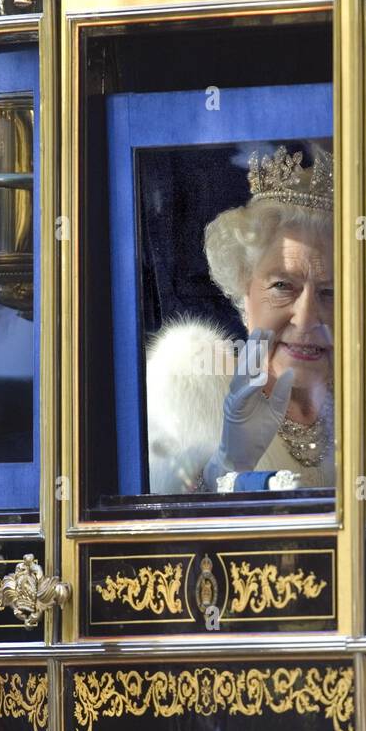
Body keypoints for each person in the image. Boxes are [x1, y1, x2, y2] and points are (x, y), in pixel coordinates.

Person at [146, 145, 334, 494]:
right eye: (283, 286)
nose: (307, 319)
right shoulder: (190, 385)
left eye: (329, 292)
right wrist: (227, 466)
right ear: (243, 295)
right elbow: (161, 532)